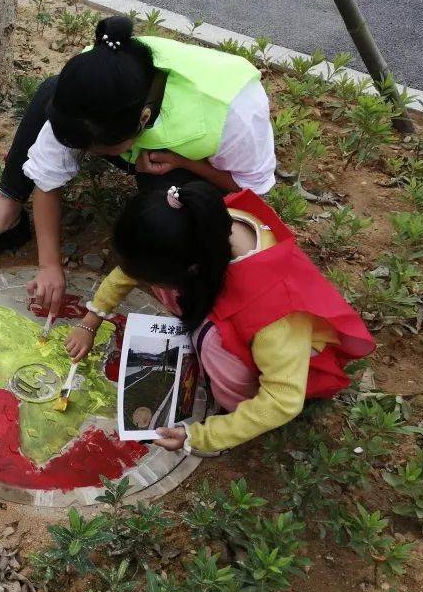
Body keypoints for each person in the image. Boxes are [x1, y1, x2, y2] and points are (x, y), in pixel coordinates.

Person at [0, 15, 276, 318]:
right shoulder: (89, 82)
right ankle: (7, 216)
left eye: (95, 149)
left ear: (142, 123)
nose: (84, 154)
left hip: (190, 165)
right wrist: (49, 265)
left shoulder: (235, 110)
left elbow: (249, 191)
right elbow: (47, 177)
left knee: (169, 213)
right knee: (50, 91)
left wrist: (182, 161)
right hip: (136, 139)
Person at [65, 182, 374, 454]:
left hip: (288, 368)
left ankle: (229, 399)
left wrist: (200, 436)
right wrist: (91, 320)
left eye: (156, 280)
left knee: (214, 343)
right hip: (224, 308)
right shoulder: (197, 224)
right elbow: (134, 267)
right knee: (206, 328)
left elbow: (282, 399)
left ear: (191, 270)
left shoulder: (276, 310)